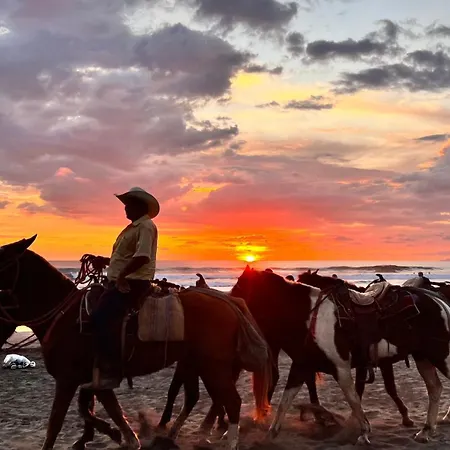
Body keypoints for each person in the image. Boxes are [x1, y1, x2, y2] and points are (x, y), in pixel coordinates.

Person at [81, 187, 159, 390]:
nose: (125, 208)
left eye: (128, 205)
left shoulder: (145, 226)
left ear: (139, 207)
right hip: (123, 279)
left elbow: (142, 257)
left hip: (134, 283)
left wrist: (122, 276)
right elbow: (125, 258)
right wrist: (105, 261)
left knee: (101, 317)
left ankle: (112, 371)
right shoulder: (132, 228)